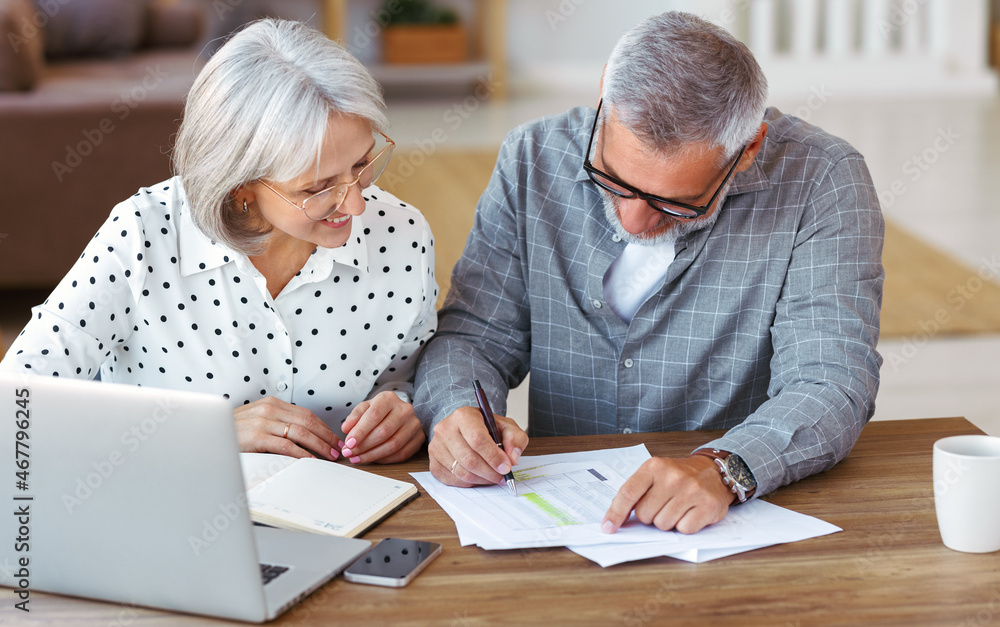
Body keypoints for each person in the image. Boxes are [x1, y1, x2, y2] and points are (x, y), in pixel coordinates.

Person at [413, 11, 883, 534]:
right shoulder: (531, 158)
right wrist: (457, 411)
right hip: (560, 524)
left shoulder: (825, 181)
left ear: (748, 149)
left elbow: (830, 379)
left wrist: (725, 468)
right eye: (612, 179)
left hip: (720, 530)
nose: (634, 220)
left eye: (675, 203)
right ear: (603, 100)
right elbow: (475, 333)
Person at [1, 19, 437, 465]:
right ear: (239, 187)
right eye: (317, 187)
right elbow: (17, 403)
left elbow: (409, 378)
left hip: (350, 517)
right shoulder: (142, 235)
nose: (358, 204)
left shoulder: (403, 236)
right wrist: (209, 433)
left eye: (363, 165)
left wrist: (408, 411)